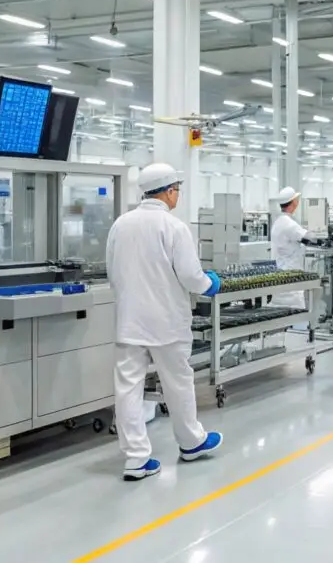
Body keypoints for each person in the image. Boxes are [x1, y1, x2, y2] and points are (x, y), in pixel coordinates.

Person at [106, 163, 224, 481]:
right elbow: (189, 276)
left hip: (129, 321)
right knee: (178, 381)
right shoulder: (174, 227)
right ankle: (191, 442)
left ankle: (135, 458)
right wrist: (209, 283)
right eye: (177, 191)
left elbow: (111, 271)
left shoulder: (121, 224)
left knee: (128, 388)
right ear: (170, 191)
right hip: (166, 322)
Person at [269, 186, 322, 311]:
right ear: (294, 203)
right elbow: (309, 237)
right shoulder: (288, 223)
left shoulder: (279, 222)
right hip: (290, 275)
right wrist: (321, 230)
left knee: (281, 311)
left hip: (281, 272)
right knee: (294, 311)